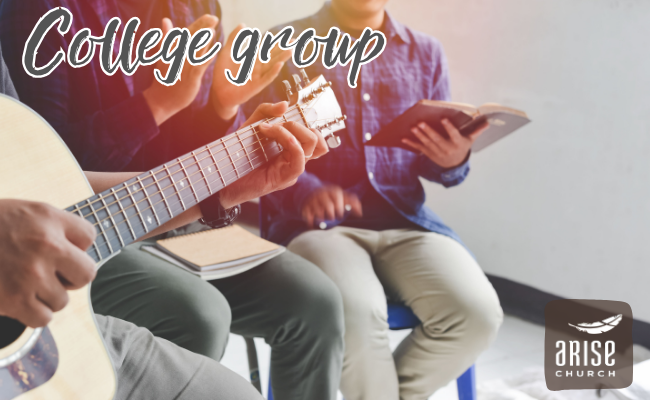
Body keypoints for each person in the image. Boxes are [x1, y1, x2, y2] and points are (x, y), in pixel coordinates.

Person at [0, 2, 345, 399]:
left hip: (168, 207)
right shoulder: (40, 9)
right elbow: (49, 166)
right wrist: (155, 104)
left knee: (314, 299)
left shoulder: (197, 7)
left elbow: (179, 147)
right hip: (103, 220)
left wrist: (222, 111)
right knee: (198, 313)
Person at [247, 1, 504, 399]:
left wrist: (453, 160)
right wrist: (308, 191)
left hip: (407, 222)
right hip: (319, 230)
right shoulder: (284, 46)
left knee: (478, 313)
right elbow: (256, 149)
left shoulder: (426, 52)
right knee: (356, 311)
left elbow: (438, 169)